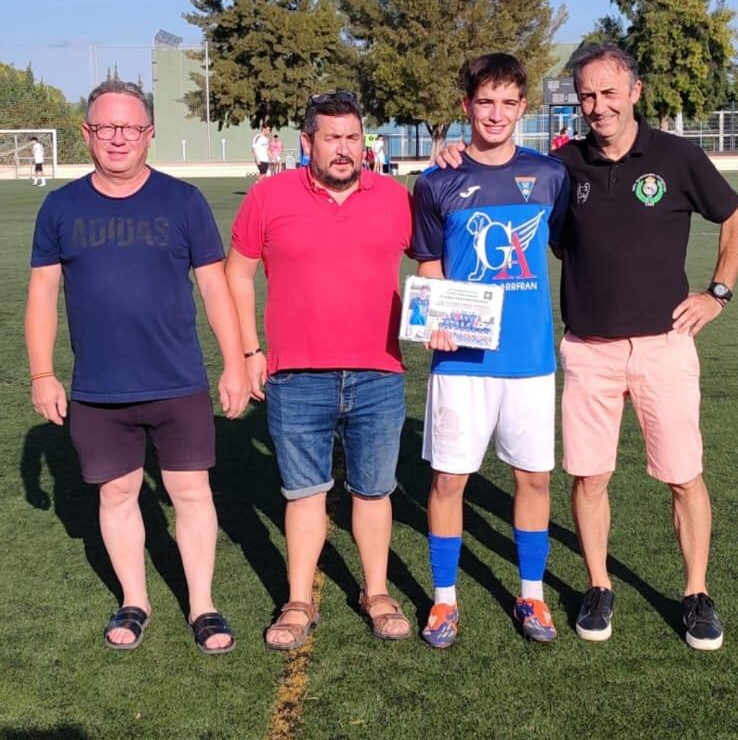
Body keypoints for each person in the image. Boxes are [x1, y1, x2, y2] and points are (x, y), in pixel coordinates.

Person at [25, 79, 248, 653]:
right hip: (100, 390)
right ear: (87, 133)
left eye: (129, 128)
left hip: (177, 382)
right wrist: (42, 373)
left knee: (191, 491)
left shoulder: (184, 202)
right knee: (117, 493)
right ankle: (135, 599)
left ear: (149, 134)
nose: (117, 138)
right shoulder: (61, 207)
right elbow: (43, 294)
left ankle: (203, 604)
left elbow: (215, 289)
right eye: (106, 127)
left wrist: (234, 364)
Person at [555, 44, 738, 650]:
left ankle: (695, 593)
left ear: (635, 91)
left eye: (609, 92)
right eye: (587, 94)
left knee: (684, 476)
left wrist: (717, 292)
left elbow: (733, 217)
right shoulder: (566, 166)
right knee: (590, 475)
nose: (597, 106)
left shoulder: (677, 156)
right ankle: (599, 585)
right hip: (588, 349)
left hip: (664, 345)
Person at [225, 89, 413, 650]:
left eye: (353, 137)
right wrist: (249, 351)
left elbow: (431, 263)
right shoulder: (269, 195)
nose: (343, 148)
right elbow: (237, 274)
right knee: (304, 494)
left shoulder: (396, 197)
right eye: (331, 138)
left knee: (374, 491)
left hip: (378, 372)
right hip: (296, 375)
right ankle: (299, 601)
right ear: (307, 142)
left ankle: (376, 593)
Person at [412, 53, 570, 649]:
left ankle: (532, 594)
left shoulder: (550, 176)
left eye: (508, 103)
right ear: (466, 107)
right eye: (485, 102)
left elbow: (570, 248)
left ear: (522, 107)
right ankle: (444, 601)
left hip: (529, 361)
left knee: (532, 479)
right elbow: (429, 259)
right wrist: (432, 316)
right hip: (461, 362)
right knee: (450, 481)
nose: (496, 114)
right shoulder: (437, 181)